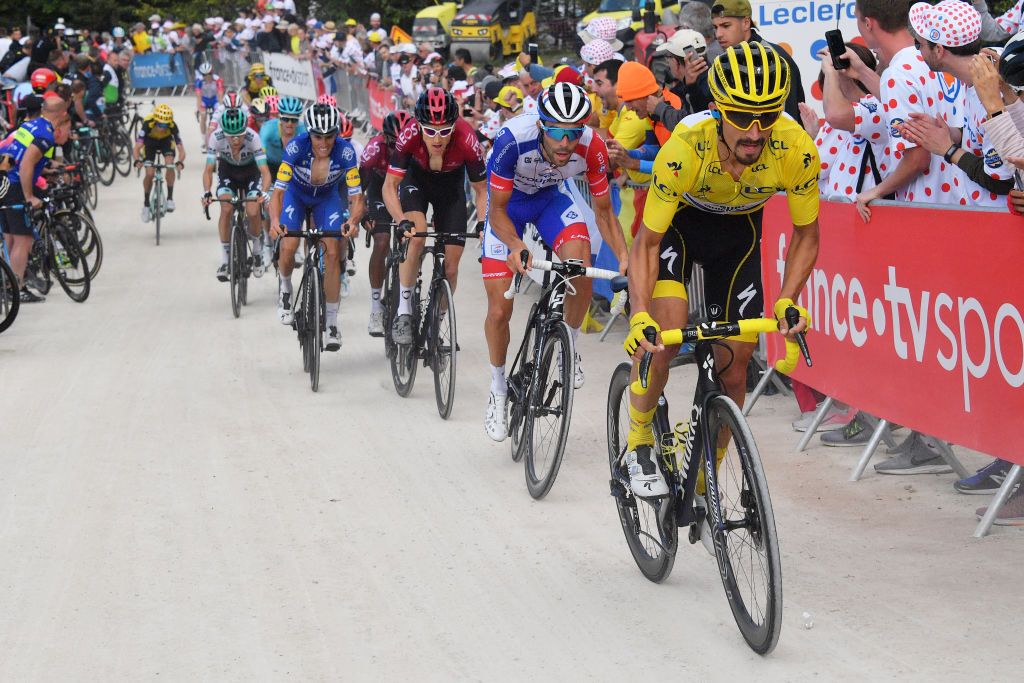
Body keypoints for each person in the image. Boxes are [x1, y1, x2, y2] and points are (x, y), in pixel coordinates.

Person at [622, 42, 818, 497]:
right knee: (662, 341)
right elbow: (647, 242)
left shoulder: (796, 149)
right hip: (680, 231)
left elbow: (808, 235)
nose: (755, 132)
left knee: (735, 369)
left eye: (767, 117)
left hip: (738, 239)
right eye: (742, 118)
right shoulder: (684, 148)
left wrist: (788, 298)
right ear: (716, 111)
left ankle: (707, 472)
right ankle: (638, 441)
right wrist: (638, 312)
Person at [481, 82, 629, 440]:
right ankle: (498, 388)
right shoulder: (512, 139)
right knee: (500, 309)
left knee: (580, 266)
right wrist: (516, 246)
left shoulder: (591, 146)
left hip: (552, 199)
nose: (566, 143)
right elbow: (496, 209)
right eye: (559, 132)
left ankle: (568, 347)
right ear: (542, 125)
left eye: (574, 133)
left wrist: (625, 258)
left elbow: (605, 213)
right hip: (510, 208)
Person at [382, 87, 487, 345]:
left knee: (451, 267)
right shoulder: (408, 136)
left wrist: (484, 224)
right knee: (417, 235)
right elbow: (389, 186)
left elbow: (481, 190)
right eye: (430, 131)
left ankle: (436, 324)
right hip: (416, 181)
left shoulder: (467, 139)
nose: (437, 139)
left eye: (444, 131)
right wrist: (400, 219)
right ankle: (404, 312)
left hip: (450, 190)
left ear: (455, 126)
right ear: (419, 126)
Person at [268, 104, 365, 351]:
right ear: (308, 133)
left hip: (326, 198)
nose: (324, 142)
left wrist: (352, 222)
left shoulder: (345, 153)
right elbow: (278, 193)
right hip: (296, 196)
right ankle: (286, 289)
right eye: (318, 137)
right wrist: (274, 222)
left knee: (332, 253)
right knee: (289, 245)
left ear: (336, 134)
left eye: (329, 136)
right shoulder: (295, 148)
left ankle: (332, 323)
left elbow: (356, 197)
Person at [0, 95, 69, 303]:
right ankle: (17, 288)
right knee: (24, 239)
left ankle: (7, 285)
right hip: (15, 186)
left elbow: (15, 154)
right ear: (62, 113)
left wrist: (47, 168)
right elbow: (27, 165)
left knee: (11, 237)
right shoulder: (45, 134)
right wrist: (29, 196)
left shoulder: (31, 125)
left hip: (4, 181)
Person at [202, 108, 272, 282]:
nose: (235, 140)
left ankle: (257, 252)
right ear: (223, 132)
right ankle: (225, 261)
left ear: (245, 131)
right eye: (230, 136)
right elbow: (209, 169)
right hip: (228, 172)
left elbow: (265, 171)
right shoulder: (215, 138)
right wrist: (207, 192)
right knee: (226, 209)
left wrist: (263, 192)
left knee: (254, 211)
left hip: (251, 173)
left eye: (239, 135)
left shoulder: (253, 137)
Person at [360, 110, 412, 336]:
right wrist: (362, 213)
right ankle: (375, 309)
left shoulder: (417, 147)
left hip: (405, 187)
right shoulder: (374, 149)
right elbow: (357, 187)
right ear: (385, 137)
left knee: (412, 241)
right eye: (393, 143)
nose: (396, 149)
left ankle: (409, 299)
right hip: (379, 189)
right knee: (381, 241)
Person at [710, 0, 805, 125]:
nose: (718, 34)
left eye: (726, 26)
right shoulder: (726, 59)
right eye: (715, 27)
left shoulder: (773, 58)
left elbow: (788, 119)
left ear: (746, 23)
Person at [133, 103, 185, 223]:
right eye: (160, 124)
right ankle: (146, 204)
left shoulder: (172, 126)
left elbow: (181, 149)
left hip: (166, 142)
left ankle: (170, 198)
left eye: (165, 124)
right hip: (150, 143)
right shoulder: (147, 124)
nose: (163, 127)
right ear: (156, 121)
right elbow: (137, 148)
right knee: (150, 173)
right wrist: (136, 160)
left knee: (169, 164)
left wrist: (180, 162)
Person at [195, 62, 224, 146]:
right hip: (204, 99)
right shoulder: (199, 81)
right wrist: (199, 108)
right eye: (204, 75)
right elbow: (198, 96)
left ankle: (218, 137)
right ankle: (204, 140)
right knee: (203, 116)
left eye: (209, 74)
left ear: (212, 72)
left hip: (215, 99)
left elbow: (220, 94)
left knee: (219, 116)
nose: (207, 76)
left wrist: (221, 108)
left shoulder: (218, 79)